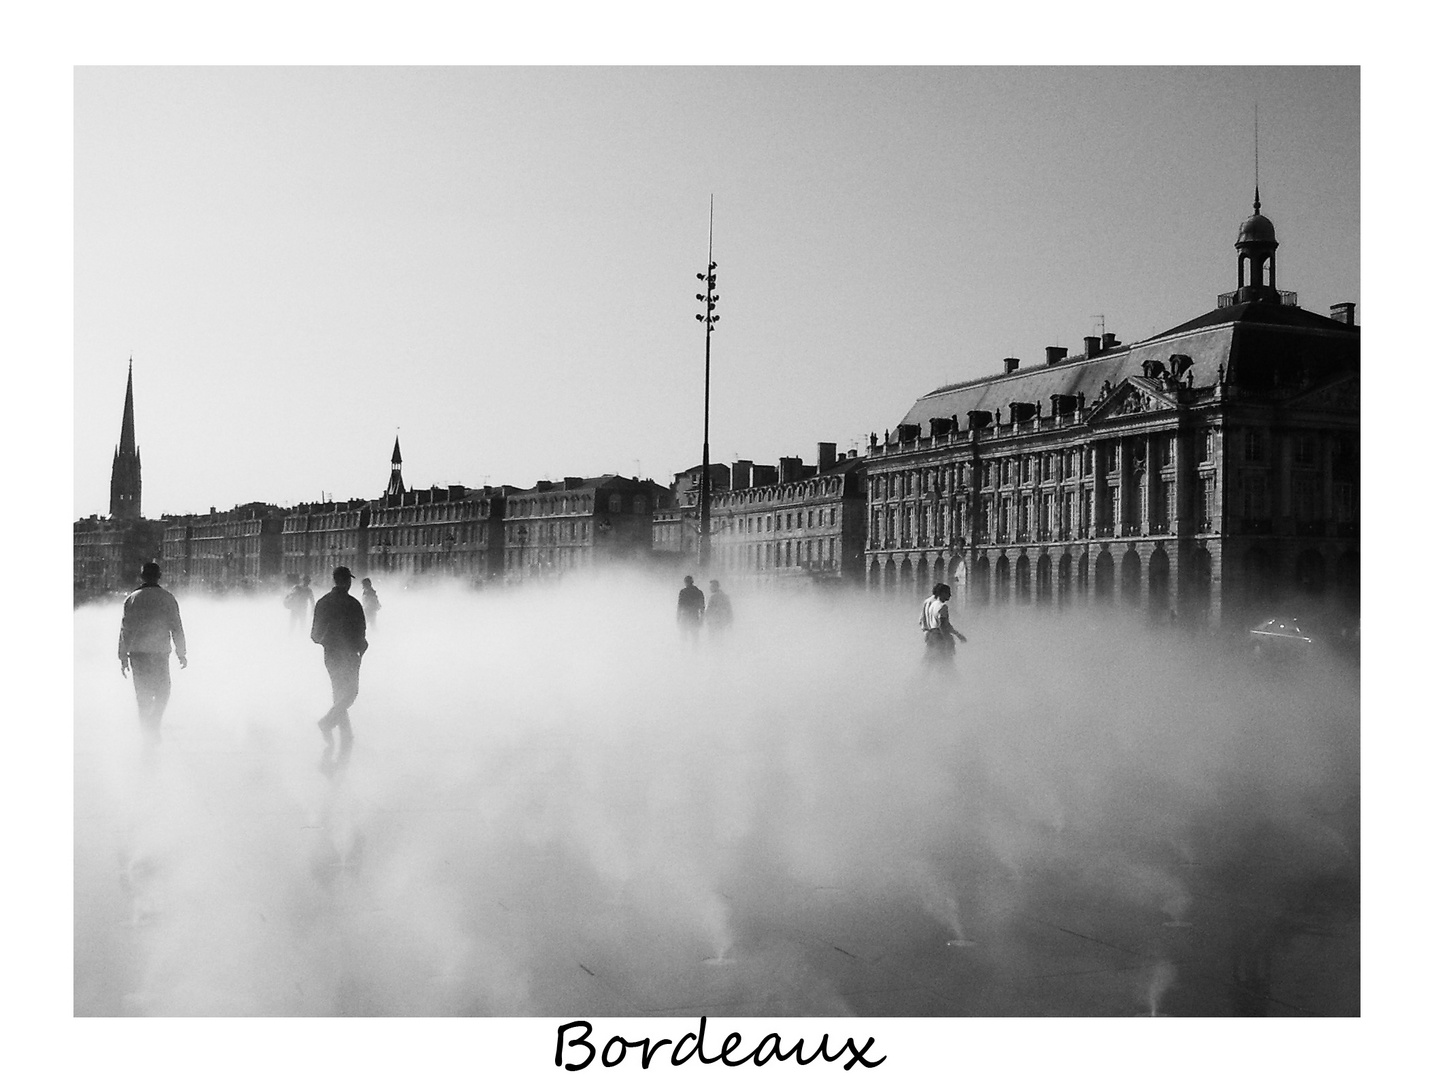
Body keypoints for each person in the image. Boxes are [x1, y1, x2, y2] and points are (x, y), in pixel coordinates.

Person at [117, 562, 187, 739]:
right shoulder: (167, 598)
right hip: (159, 652)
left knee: (142, 694)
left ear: (142, 577)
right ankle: (154, 722)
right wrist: (181, 652)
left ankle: (145, 732)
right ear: (159, 576)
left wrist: (122, 656)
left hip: (137, 653)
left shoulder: (132, 598)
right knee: (163, 691)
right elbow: (176, 626)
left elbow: (126, 629)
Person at [311, 566, 368, 746]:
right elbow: (361, 631)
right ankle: (327, 723)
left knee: (338, 692)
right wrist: (360, 646)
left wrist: (328, 641)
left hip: (331, 653)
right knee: (351, 693)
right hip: (350, 653)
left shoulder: (322, 602)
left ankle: (346, 734)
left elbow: (314, 634)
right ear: (347, 581)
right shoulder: (353, 604)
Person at [919, 582, 967, 668]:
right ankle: (951, 679)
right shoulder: (942, 606)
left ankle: (919, 680)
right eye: (948, 593)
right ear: (942, 593)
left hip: (930, 635)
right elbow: (943, 625)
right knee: (946, 663)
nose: (950, 595)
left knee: (928, 663)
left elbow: (922, 620)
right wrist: (949, 639)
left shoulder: (931, 604)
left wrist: (926, 632)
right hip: (939, 636)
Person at [676, 575, 705, 642]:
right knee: (695, 636)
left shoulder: (683, 592)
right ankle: (695, 651)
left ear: (685, 582)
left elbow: (680, 606)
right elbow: (702, 607)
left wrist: (678, 617)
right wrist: (702, 618)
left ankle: (684, 651)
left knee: (683, 636)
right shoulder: (698, 592)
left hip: (685, 616)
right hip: (694, 616)